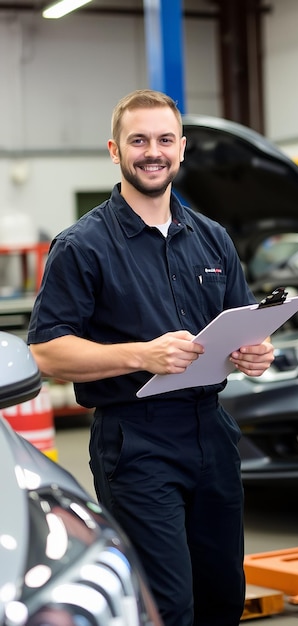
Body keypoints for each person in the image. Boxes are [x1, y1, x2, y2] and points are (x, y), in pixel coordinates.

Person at [27, 89, 274, 626]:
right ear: (115, 151)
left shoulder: (213, 240)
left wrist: (255, 353)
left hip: (212, 431)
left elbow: (239, 328)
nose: (152, 152)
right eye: (138, 140)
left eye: (164, 140)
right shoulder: (82, 246)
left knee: (222, 596)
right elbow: (47, 353)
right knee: (169, 605)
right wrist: (142, 355)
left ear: (181, 149)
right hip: (136, 441)